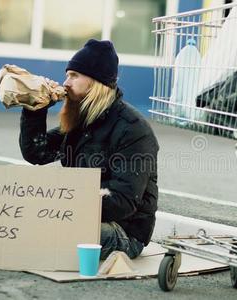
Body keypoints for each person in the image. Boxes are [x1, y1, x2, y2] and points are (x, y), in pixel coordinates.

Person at [19, 39, 159, 260]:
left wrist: (67, 208)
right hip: (78, 216)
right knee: (24, 218)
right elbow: (37, 152)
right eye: (67, 75)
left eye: (74, 75)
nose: (66, 82)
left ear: (95, 82)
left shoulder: (132, 129)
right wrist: (35, 109)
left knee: (50, 228)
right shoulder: (82, 122)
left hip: (124, 231)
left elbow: (123, 200)